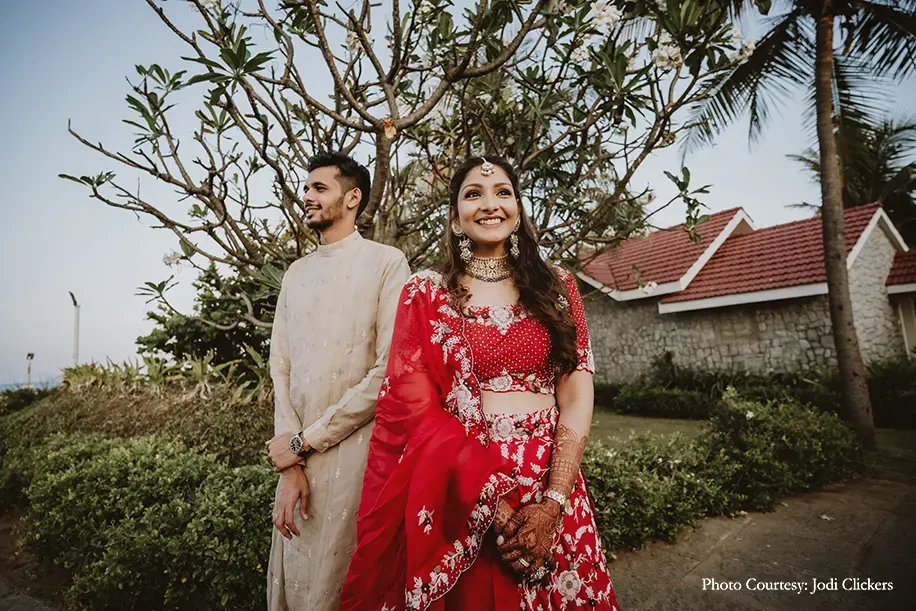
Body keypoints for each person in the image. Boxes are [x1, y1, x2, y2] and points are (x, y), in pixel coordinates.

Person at [340, 156, 620, 610]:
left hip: (552, 479)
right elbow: (415, 407)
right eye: (474, 194)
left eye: (503, 192)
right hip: (464, 483)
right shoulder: (428, 293)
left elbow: (577, 389)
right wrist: (491, 503)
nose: (490, 204)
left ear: (518, 208)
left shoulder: (556, 285)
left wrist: (552, 503)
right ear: (455, 217)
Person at [264, 151, 410, 611]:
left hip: (358, 456)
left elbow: (388, 371)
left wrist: (306, 442)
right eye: (306, 188)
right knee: (294, 579)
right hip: (296, 462)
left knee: (342, 584)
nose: (306, 196)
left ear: (352, 197)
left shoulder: (388, 264)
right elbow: (280, 369)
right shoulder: (296, 273)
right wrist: (289, 460)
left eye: (318, 188)